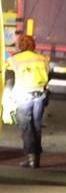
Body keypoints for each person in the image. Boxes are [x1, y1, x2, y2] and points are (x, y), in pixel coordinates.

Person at [4, 35, 50, 168]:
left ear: (20, 45)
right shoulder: (42, 58)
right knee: (37, 126)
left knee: (26, 127)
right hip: (40, 96)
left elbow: (10, 80)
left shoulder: (15, 60)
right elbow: (48, 76)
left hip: (23, 96)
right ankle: (37, 159)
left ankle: (30, 157)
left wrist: (7, 97)